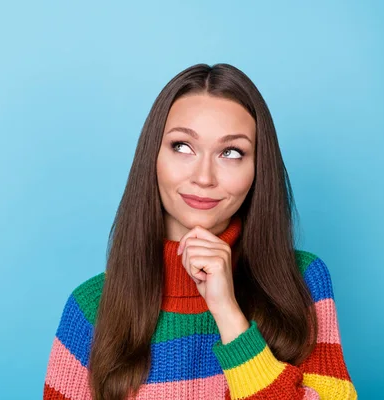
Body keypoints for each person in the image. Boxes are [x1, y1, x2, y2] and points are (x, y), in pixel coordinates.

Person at [42, 63, 357, 400]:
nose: (204, 177)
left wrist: (229, 316)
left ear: (257, 169)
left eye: (231, 152)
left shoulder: (302, 282)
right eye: (182, 146)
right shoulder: (91, 308)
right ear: (153, 156)